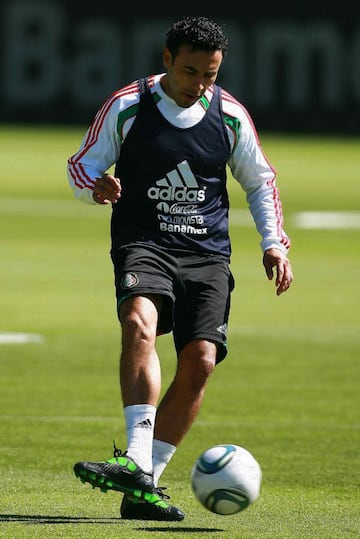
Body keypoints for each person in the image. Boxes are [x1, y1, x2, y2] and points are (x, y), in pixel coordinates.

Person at [67, 16, 293, 522]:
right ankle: (133, 455)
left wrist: (273, 242)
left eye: (210, 75)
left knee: (202, 361)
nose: (201, 86)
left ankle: (144, 480)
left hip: (207, 253)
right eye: (191, 72)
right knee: (137, 323)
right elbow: (81, 165)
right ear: (167, 59)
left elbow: (259, 181)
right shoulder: (128, 106)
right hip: (144, 242)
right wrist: (95, 187)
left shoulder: (230, 115)